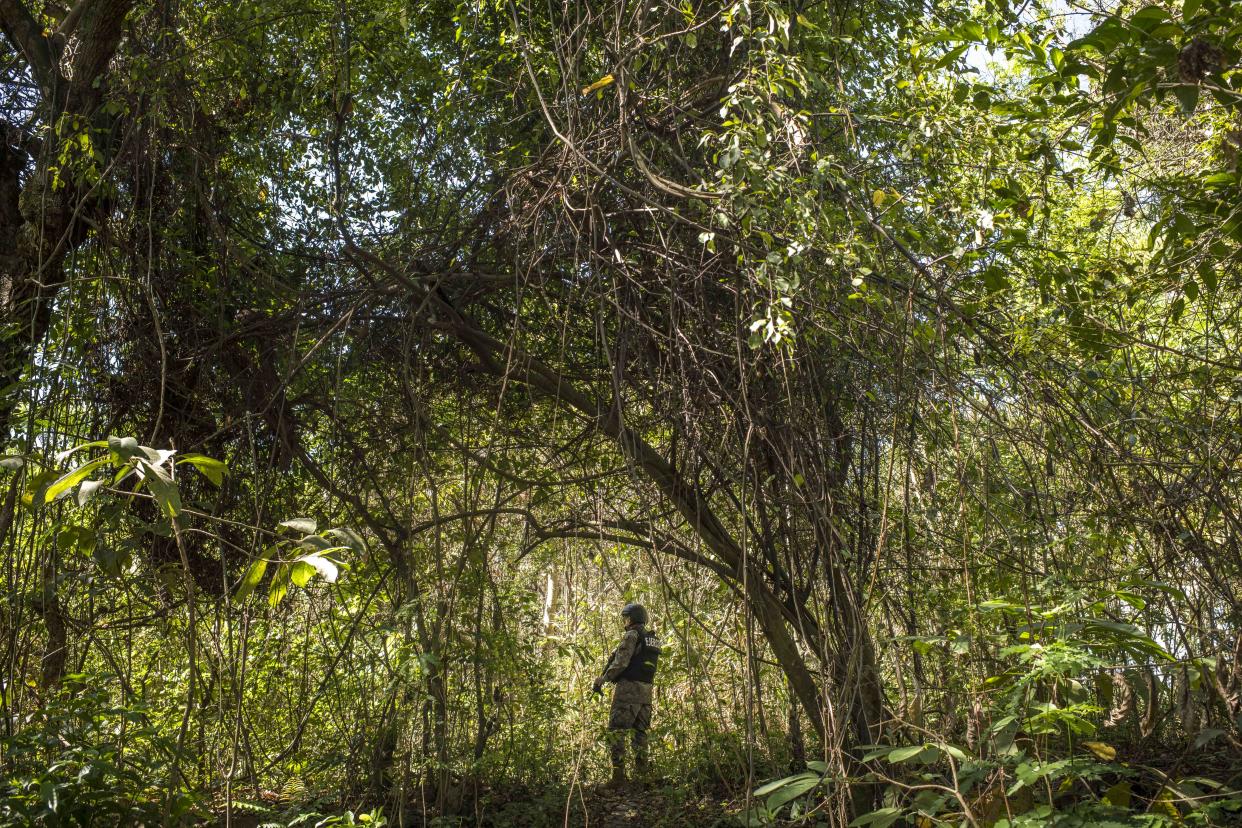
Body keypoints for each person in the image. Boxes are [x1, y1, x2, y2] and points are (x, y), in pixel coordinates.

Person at [592, 602, 662, 786]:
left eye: (625, 617)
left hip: (628, 692)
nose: (624, 621)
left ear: (630, 619)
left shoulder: (632, 635)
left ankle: (618, 777)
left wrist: (603, 679)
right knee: (640, 733)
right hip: (646, 693)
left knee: (616, 731)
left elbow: (621, 662)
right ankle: (642, 775)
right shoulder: (652, 639)